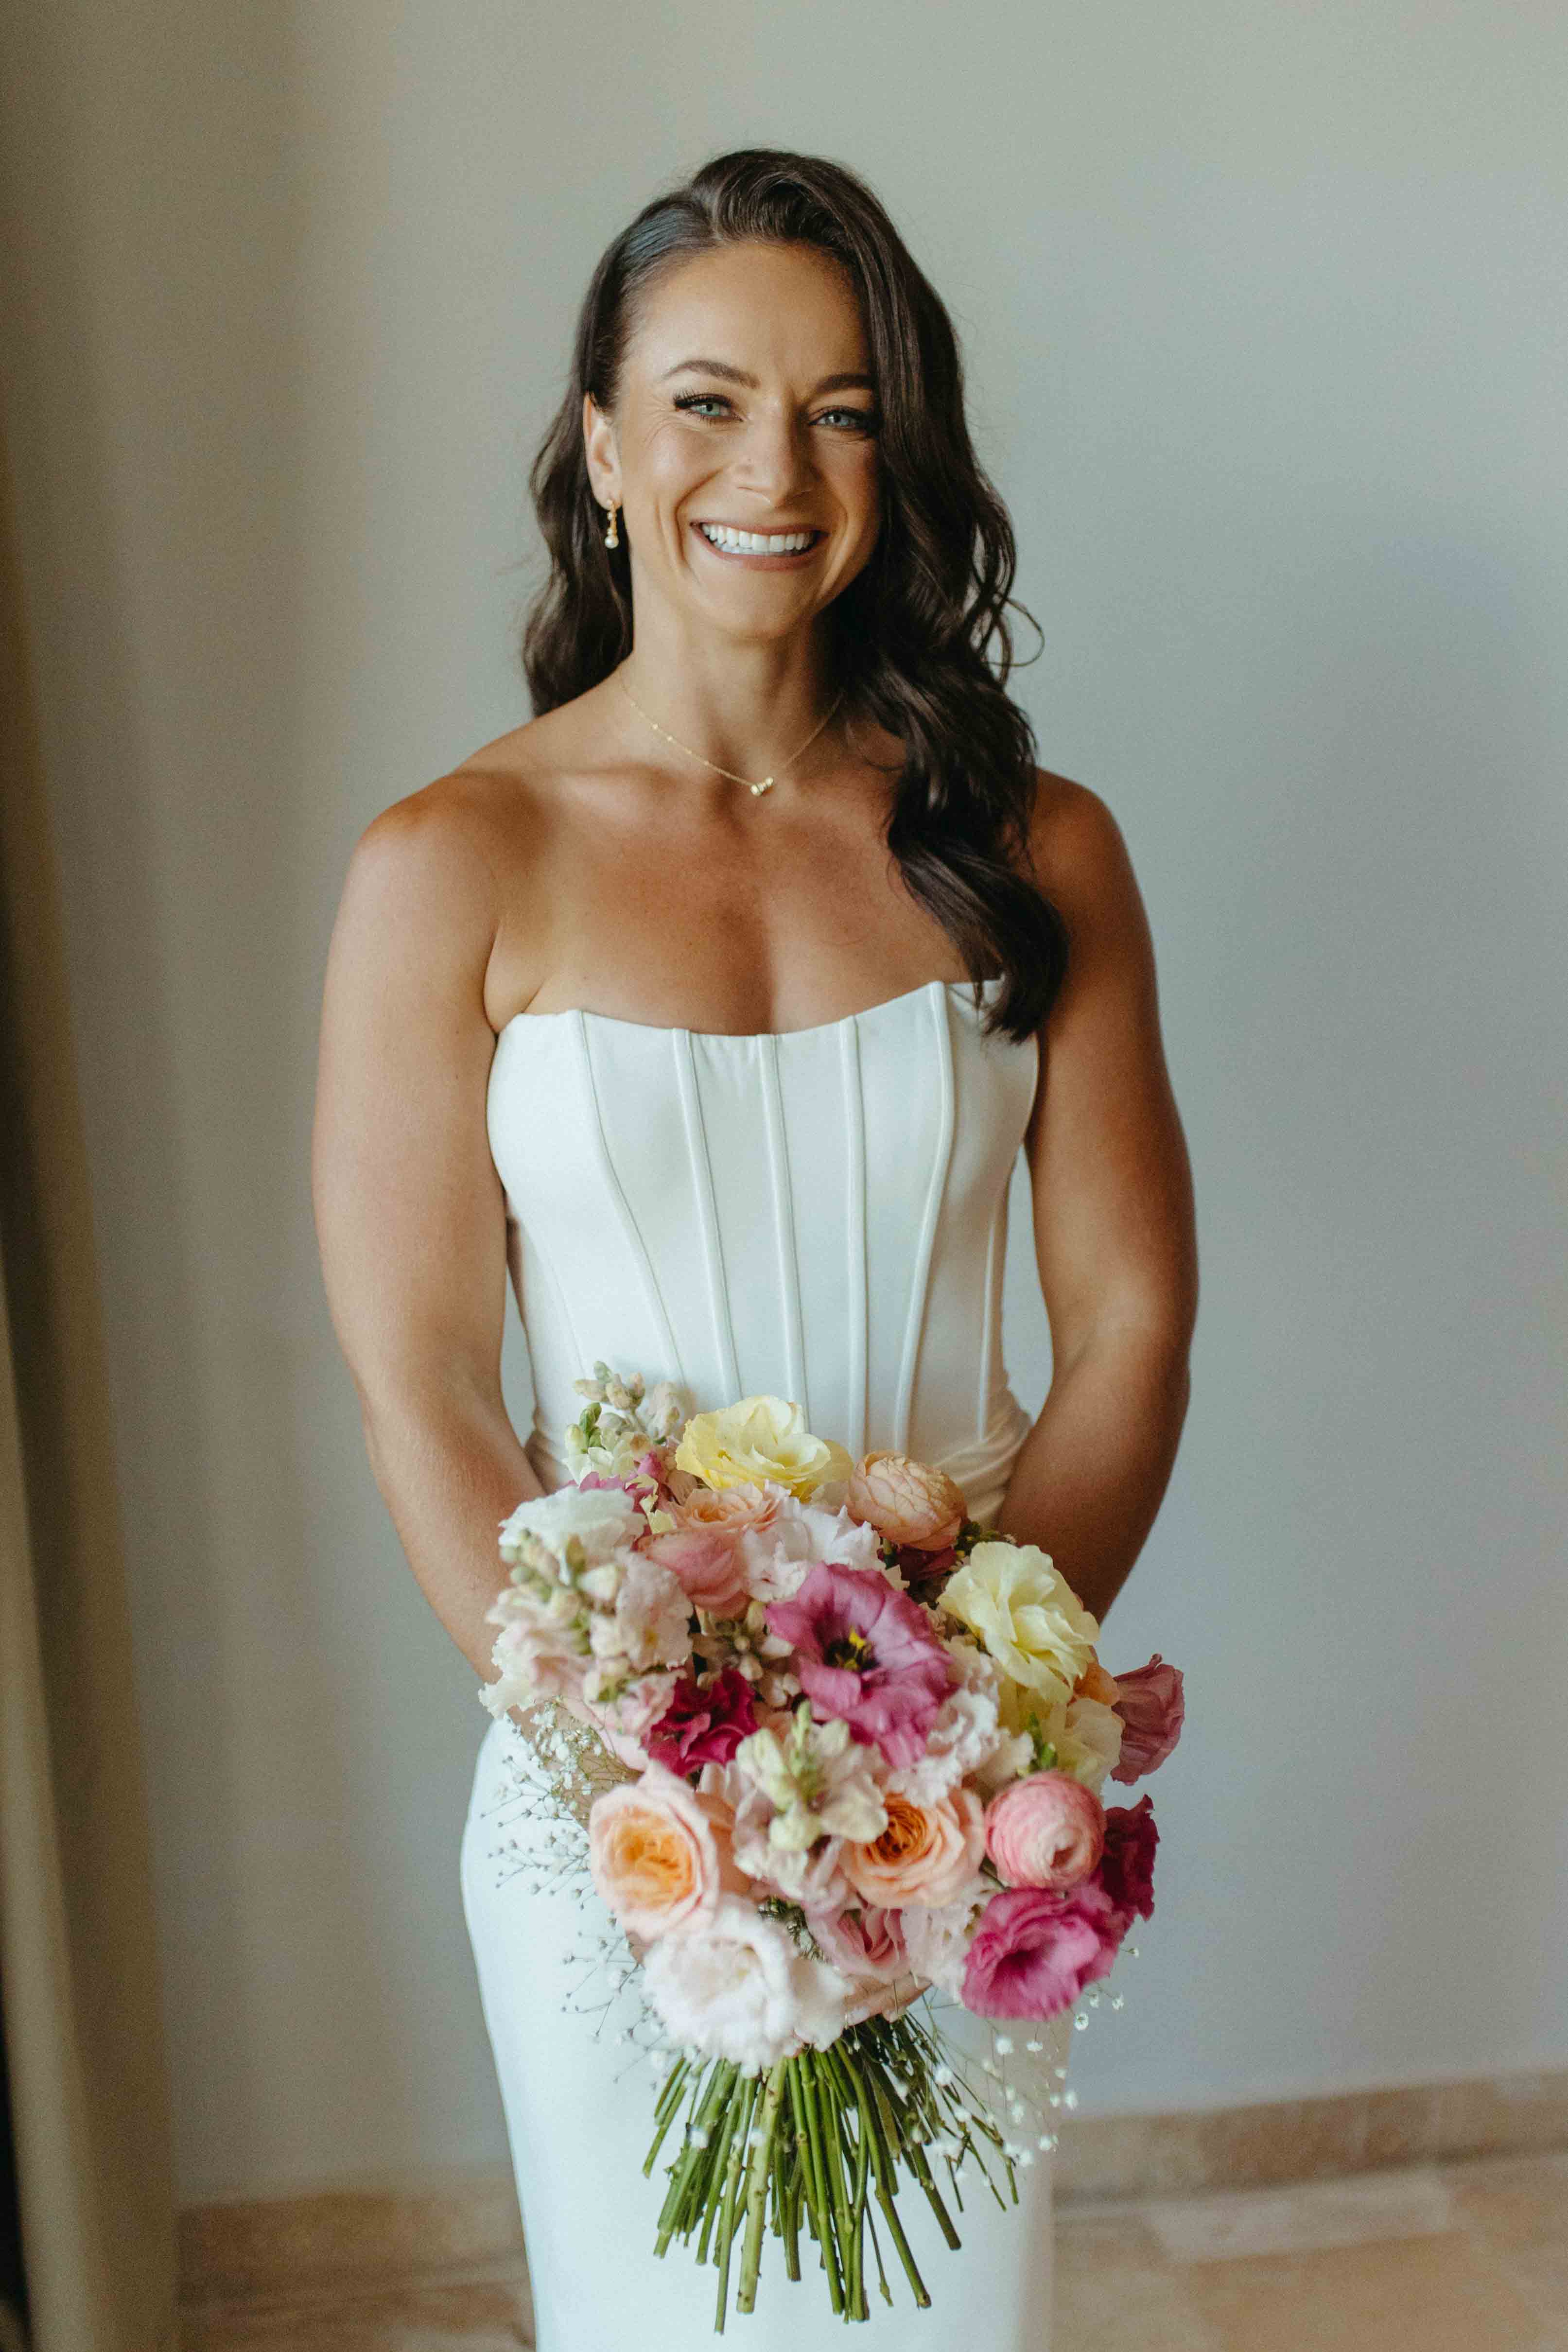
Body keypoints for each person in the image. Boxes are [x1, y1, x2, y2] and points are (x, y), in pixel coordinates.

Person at [312, 146, 1197, 2352]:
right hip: (615, 1818)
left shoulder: (1035, 846)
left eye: (840, 410)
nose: (770, 469)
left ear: (899, 459)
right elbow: (422, 1376)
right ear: (603, 449)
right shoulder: (450, 867)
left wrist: (966, 1739)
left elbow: (1132, 1322)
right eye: (705, 401)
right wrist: (648, 1751)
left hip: (960, 1818)